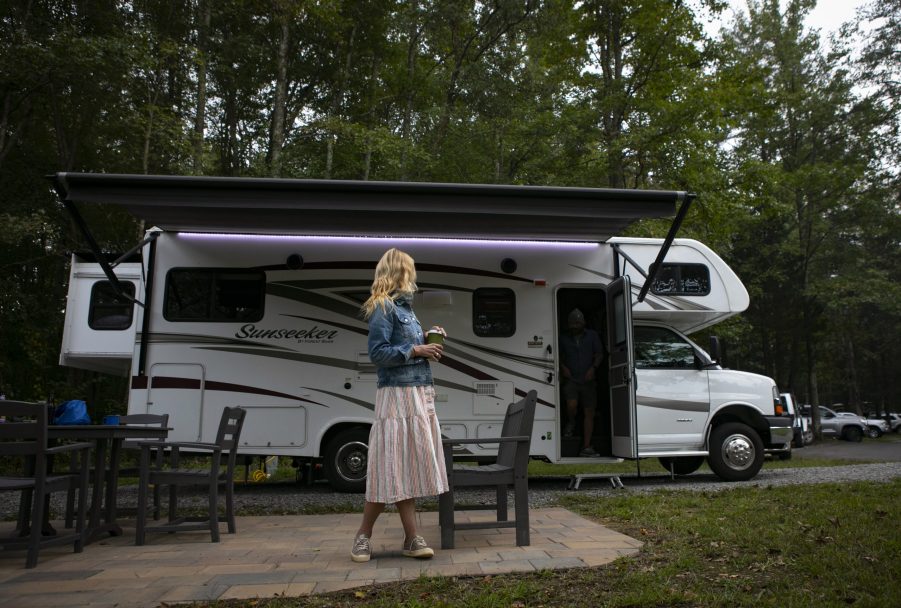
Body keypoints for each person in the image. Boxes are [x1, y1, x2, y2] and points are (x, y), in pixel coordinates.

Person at [351, 248, 449, 563]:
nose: (414, 276)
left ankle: (411, 538)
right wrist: (417, 348)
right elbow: (378, 353)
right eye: (411, 270)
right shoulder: (384, 307)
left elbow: (408, 347)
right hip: (397, 395)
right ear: (401, 272)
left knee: (405, 466)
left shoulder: (407, 311)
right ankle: (363, 536)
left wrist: (429, 337)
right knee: (388, 466)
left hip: (418, 393)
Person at [560, 308, 604, 457]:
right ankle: (571, 422)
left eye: (578, 323)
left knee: (589, 412)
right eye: (573, 323)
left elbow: (599, 354)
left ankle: (586, 446)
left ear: (583, 323)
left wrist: (593, 368)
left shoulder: (592, 336)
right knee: (571, 405)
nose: (575, 326)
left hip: (588, 380)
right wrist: (562, 367)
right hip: (571, 379)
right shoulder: (563, 338)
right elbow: (557, 355)